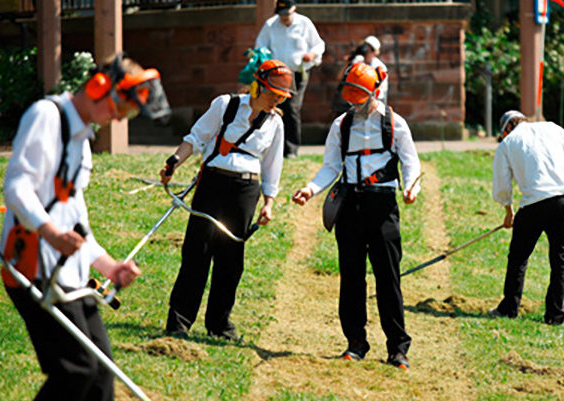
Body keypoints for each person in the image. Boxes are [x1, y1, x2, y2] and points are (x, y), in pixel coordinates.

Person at [0, 52, 166, 401]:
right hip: (33, 268)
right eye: (123, 107)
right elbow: (17, 188)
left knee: (101, 373)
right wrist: (49, 232)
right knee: (75, 370)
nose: (121, 118)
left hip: (69, 274)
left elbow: (74, 218)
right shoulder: (47, 117)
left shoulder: (82, 141)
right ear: (98, 86)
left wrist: (108, 265)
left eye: (131, 113)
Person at [292, 62, 421, 370]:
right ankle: (356, 343)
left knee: (388, 278)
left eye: (359, 95)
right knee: (351, 278)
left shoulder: (395, 123)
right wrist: (310, 189)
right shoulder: (341, 125)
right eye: (350, 95)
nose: (353, 101)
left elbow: (411, 162)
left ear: (374, 92)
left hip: (383, 207)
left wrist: (411, 187)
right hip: (350, 206)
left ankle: (398, 349)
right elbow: (331, 167)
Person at [162, 59, 292, 341]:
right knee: (197, 252)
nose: (276, 101)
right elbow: (195, 138)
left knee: (231, 259)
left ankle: (219, 324)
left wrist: (269, 203)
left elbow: (272, 166)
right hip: (212, 183)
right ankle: (178, 322)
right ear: (257, 86)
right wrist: (174, 161)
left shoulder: (275, 124)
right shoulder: (225, 105)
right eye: (272, 94)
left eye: (281, 96)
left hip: (246, 191)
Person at [489, 110, 564, 326]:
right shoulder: (550, 127)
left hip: (533, 206)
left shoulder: (507, 144)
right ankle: (554, 315)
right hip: (563, 202)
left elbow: (502, 184)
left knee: (518, 258)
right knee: (561, 262)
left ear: (506, 130)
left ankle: (509, 308)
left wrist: (508, 211)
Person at [255, 0, 325, 158]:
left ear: (294, 10)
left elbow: (319, 45)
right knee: (272, 106)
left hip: (297, 73)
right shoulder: (270, 25)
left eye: (287, 14)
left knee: (292, 108)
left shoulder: (304, 23)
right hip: (276, 74)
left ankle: (291, 149)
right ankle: (270, 146)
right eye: (282, 15)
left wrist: (312, 55)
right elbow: (260, 47)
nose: (284, 18)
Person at [331, 35, 389, 116]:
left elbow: (380, 93)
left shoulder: (380, 67)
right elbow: (339, 77)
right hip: (353, 100)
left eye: (369, 49)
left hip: (371, 103)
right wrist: (348, 63)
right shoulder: (357, 62)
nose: (366, 51)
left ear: (374, 52)